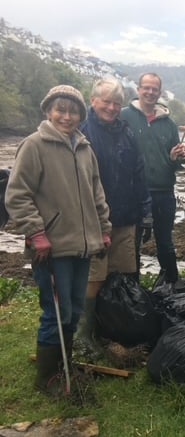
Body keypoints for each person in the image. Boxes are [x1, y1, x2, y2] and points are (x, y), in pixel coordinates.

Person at [5, 85, 111, 393]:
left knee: (75, 309)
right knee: (56, 312)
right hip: (50, 248)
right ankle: (47, 378)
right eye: (60, 110)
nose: (67, 116)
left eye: (73, 111)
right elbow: (17, 194)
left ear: (81, 114)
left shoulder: (84, 148)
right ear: (48, 111)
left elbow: (97, 194)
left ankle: (63, 364)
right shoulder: (34, 145)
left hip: (83, 246)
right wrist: (36, 232)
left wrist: (103, 229)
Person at [78, 77, 152, 357]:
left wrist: (146, 213)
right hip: (94, 219)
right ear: (93, 100)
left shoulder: (127, 132)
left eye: (117, 103)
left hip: (125, 216)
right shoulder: (81, 131)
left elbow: (139, 173)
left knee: (124, 273)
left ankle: (116, 328)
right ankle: (84, 334)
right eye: (106, 101)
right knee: (94, 277)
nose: (111, 107)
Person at [121, 73, 185, 283]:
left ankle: (171, 285)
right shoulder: (123, 117)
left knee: (165, 243)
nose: (150, 92)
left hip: (164, 193)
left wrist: (177, 158)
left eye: (154, 89)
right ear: (138, 90)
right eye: (146, 88)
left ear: (159, 92)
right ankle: (132, 289)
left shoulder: (169, 124)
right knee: (132, 244)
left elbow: (175, 163)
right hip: (133, 193)